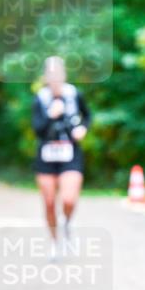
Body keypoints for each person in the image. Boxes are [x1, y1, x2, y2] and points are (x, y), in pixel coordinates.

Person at [32, 56, 90, 256]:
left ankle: (66, 222)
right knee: (49, 202)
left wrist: (82, 129)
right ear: (45, 76)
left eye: (58, 73)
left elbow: (87, 115)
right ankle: (55, 243)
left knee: (68, 200)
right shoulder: (40, 98)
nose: (54, 77)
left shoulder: (74, 94)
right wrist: (51, 115)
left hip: (70, 152)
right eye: (50, 73)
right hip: (46, 155)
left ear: (64, 74)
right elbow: (37, 129)